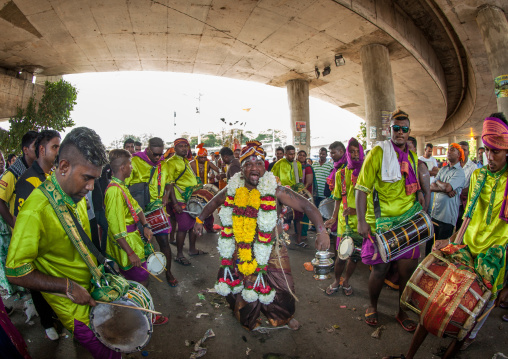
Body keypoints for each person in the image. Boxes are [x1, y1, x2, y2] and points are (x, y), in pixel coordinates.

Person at [392, 113, 508, 359]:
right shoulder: (478, 175)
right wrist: (452, 241)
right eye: (486, 150)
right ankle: (408, 356)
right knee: (437, 301)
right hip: (465, 249)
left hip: (494, 260)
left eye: (495, 152)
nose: (489, 157)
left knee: (470, 320)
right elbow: (467, 216)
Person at [5, 127, 123, 359]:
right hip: (74, 309)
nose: (90, 187)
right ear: (64, 167)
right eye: (87, 178)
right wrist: (67, 287)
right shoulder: (35, 210)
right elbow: (15, 271)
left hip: (94, 292)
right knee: (111, 353)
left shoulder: (72, 193)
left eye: (95, 179)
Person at [193, 140, 330, 331]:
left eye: (258, 163)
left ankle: (282, 317)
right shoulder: (233, 188)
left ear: (264, 166)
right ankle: (248, 317)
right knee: (239, 283)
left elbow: (306, 205)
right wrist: (200, 219)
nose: (254, 168)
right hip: (241, 246)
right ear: (241, 169)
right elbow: (215, 201)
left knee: (283, 287)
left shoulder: (276, 190)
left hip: (272, 247)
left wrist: (322, 231)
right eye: (248, 164)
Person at [356, 109, 425, 332]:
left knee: (407, 271)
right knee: (380, 270)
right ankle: (372, 305)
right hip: (381, 223)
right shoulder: (377, 153)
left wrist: (421, 195)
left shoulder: (413, 156)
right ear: (390, 130)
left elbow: (413, 185)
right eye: (396, 128)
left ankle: (402, 311)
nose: (400, 132)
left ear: (409, 132)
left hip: (408, 223)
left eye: (405, 129)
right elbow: (361, 189)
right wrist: (361, 221)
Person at [104, 149, 170, 310]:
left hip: (133, 237)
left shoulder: (121, 186)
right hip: (126, 243)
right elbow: (116, 229)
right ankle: (140, 312)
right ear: (123, 167)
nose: (132, 167)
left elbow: (137, 208)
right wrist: (130, 253)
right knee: (141, 279)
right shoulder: (113, 191)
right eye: (130, 164)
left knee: (139, 278)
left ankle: (138, 309)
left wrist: (146, 225)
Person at [13, 130, 61, 340]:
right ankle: (46, 323)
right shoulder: (28, 181)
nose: (58, 152)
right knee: (40, 287)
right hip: (38, 248)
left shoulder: (51, 175)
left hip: (54, 245)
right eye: (55, 147)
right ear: (41, 150)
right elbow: (22, 222)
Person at [126, 137, 177, 286]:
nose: (157, 157)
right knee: (141, 244)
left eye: (160, 154)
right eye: (155, 154)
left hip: (157, 209)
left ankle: (168, 272)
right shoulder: (134, 161)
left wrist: (166, 196)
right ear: (147, 150)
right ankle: (142, 276)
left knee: (164, 242)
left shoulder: (164, 164)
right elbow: (125, 186)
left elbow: (169, 184)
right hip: (139, 210)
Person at [324, 138, 364, 296]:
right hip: (343, 221)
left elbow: (372, 199)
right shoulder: (341, 173)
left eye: (357, 151)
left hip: (361, 222)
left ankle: (346, 281)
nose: (354, 155)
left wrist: (357, 210)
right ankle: (336, 280)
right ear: (347, 153)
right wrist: (333, 217)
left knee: (354, 257)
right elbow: (338, 198)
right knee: (341, 256)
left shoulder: (366, 172)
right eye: (351, 151)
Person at [0, 131, 38, 297]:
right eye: (36, 146)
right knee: (34, 279)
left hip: (38, 231)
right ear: (25, 150)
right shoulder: (12, 174)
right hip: (24, 235)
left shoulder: (41, 170)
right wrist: (15, 224)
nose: (40, 150)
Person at [166, 138, 206, 266]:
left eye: (186, 146)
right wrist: (175, 203)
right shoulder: (171, 162)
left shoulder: (185, 160)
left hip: (190, 199)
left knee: (193, 224)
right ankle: (179, 255)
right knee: (183, 227)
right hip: (180, 199)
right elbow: (170, 184)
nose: (184, 149)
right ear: (175, 148)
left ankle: (192, 249)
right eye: (181, 146)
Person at [428, 143, 465, 255]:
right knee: (429, 248)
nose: (449, 151)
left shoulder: (459, 172)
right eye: (448, 149)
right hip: (435, 214)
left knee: (441, 252)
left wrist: (438, 183)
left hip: (447, 218)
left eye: (452, 150)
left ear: (459, 154)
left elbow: (448, 187)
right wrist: (444, 187)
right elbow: (431, 186)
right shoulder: (443, 169)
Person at [271, 145, 305, 246]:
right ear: (285, 154)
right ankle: (281, 240)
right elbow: (272, 178)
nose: (293, 156)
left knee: (298, 216)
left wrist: (300, 191)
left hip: (294, 193)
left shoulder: (297, 164)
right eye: (290, 154)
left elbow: (299, 179)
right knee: (283, 218)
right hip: (282, 194)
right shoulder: (278, 164)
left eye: (294, 153)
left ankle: (299, 239)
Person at [189, 144, 221, 233]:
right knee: (194, 209)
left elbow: (219, 170)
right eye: (201, 157)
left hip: (205, 189)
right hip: (194, 189)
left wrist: (216, 173)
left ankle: (209, 227)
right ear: (197, 157)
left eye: (204, 157)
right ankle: (195, 228)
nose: (203, 159)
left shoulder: (208, 163)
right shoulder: (191, 164)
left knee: (208, 209)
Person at [456, 141, 477, 230]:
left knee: (461, 228)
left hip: (464, 203)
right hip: (453, 202)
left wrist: (455, 191)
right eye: (460, 149)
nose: (462, 152)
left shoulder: (473, 167)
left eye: (464, 150)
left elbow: (473, 187)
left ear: (468, 152)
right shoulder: (454, 165)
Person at [407, 137, 431, 212]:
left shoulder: (420, 165)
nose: (406, 151)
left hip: (415, 209)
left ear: (415, 149)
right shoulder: (400, 164)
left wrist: (423, 213)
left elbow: (427, 192)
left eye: (409, 148)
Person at [297, 150, 316, 239]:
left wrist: (301, 191)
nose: (301, 156)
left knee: (304, 214)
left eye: (303, 155)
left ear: (306, 157)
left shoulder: (307, 167)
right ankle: (298, 233)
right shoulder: (294, 166)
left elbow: (308, 182)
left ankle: (303, 234)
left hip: (305, 193)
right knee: (297, 213)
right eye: (299, 155)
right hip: (296, 193)